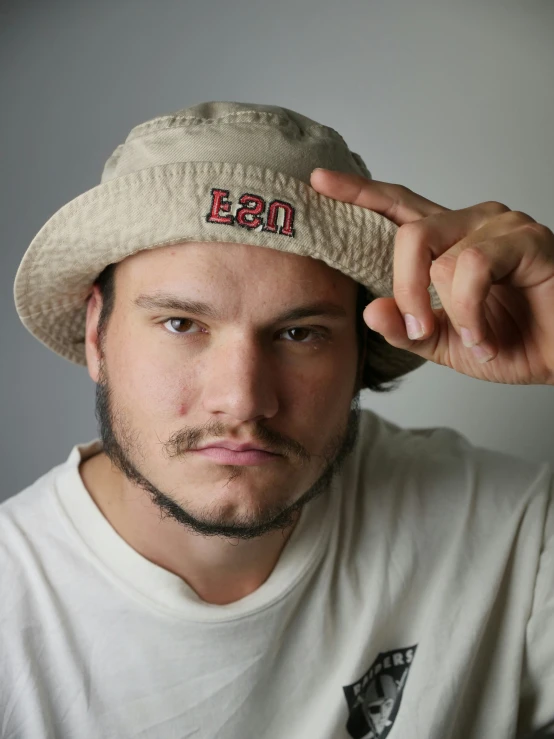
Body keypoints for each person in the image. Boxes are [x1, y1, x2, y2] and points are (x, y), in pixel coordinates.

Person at [2, 100, 554, 739]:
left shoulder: (510, 533)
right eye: (182, 324)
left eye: (298, 333)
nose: (240, 400)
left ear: (362, 353)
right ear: (98, 334)